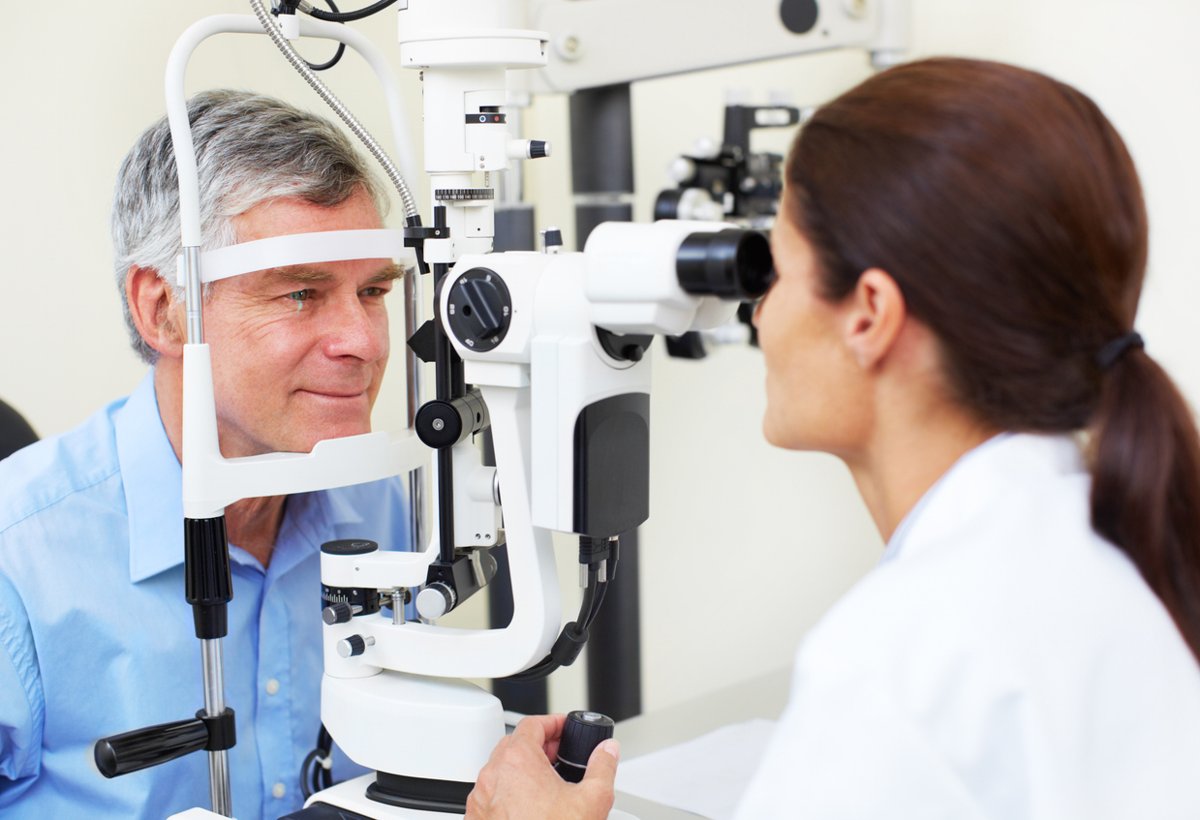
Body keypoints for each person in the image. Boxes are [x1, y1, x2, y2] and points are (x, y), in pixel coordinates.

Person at [465, 57, 1200, 819]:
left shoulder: (903, 659)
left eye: (777, 272)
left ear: (870, 315)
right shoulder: (1109, 544)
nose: (758, 316)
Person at [0, 90, 411, 819]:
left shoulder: (379, 505)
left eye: (373, 291)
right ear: (162, 309)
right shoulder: (20, 561)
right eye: (300, 294)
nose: (365, 342)